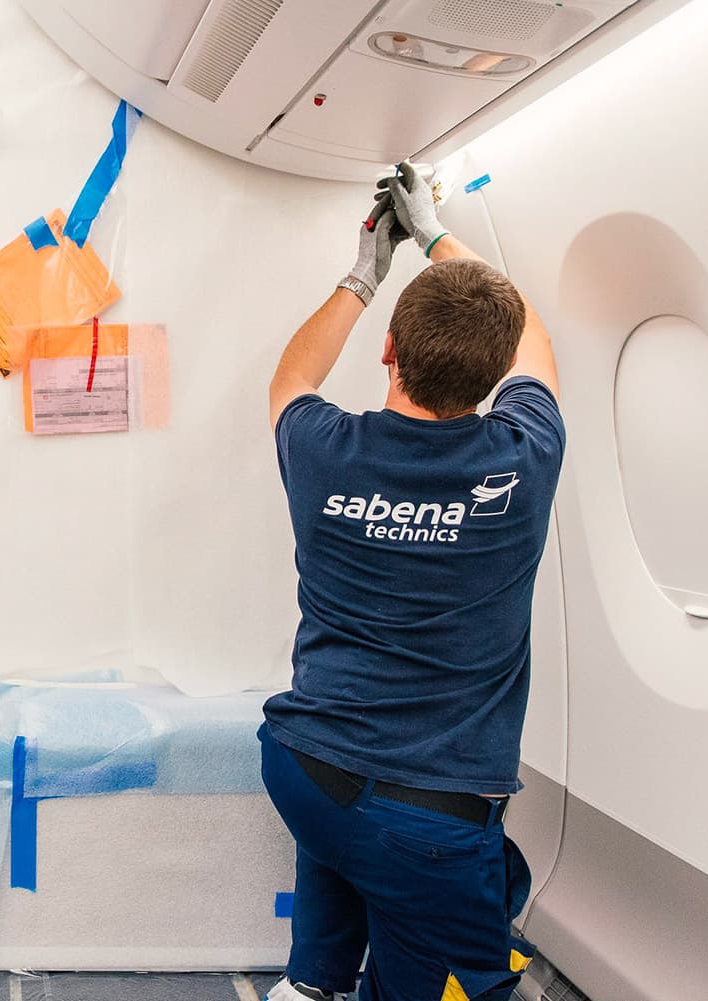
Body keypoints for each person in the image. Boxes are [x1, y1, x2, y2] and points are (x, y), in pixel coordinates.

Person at [261, 163, 564, 1001]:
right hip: (429, 816)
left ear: (388, 353)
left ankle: (310, 984)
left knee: (349, 850)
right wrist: (435, 235)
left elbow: (292, 376)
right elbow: (533, 335)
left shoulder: (324, 447)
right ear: (496, 374)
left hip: (305, 765)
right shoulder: (523, 457)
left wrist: (367, 268)